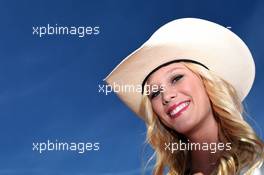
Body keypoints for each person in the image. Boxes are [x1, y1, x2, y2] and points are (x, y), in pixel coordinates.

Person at [104, 18, 264, 175]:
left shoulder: (257, 165)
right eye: (155, 93)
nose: (166, 96)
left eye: (176, 78)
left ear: (206, 82)